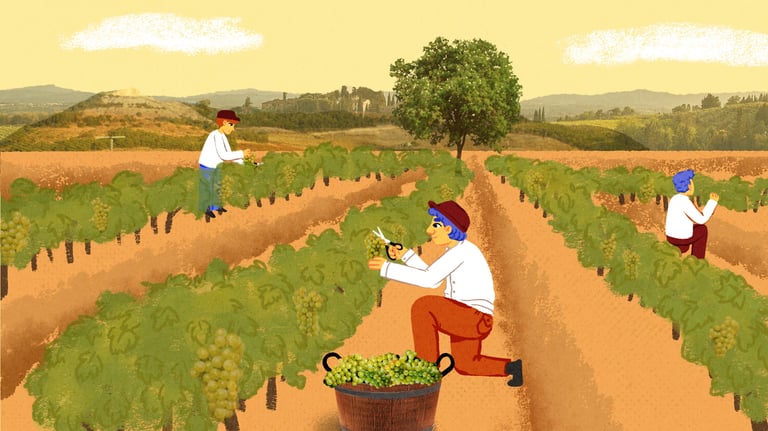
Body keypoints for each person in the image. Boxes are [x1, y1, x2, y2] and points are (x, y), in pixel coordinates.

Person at [367, 200, 523, 387]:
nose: (429, 230)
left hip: (473, 317)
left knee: (423, 307)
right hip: (471, 318)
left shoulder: (462, 252)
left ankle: (426, 368)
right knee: (466, 364)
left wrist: (387, 267)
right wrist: (405, 255)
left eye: (435, 225)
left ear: (448, 228)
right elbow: (435, 276)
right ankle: (512, 368)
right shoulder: (459, 250)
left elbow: (430, 280)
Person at [198, 110, 251, 220]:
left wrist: (245, 163)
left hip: (216, 166)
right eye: (231, 125)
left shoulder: (222, 136)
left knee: (217, 185)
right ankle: (205, 208)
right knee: (208, 187)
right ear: (224, 122)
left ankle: (216, 206)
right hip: (207, 165)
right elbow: (224, 155)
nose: (232, 129)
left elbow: (229, 152)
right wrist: (242, 153)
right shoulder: (215, 135)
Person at [665, 169, 719, 258]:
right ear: (689, 185)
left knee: (697, 228)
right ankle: (697, 259)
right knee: (702, 229)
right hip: (680, 240)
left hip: (670, 238)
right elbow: (701, 220)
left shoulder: (675, 198)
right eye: (692, 183)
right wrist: (712, 202)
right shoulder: (685, 201)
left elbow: (698, 215)